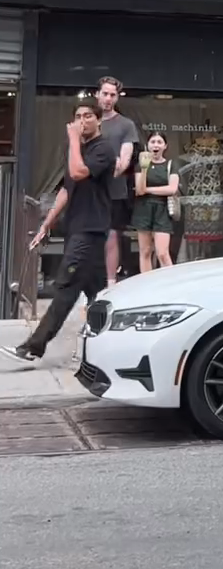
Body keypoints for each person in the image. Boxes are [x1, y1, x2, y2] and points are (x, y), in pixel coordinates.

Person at [0, 101, 114, 365]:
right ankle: (112, 345)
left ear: (99, 120)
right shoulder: (76, 149)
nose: (82, 120)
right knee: (98, 293)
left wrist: (74, 139)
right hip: (78, 229)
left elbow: (79, 171)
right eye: (78, 116)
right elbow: (67, 188)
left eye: (88, 116)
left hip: (90, 229)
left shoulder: (103, 149)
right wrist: (47, 223)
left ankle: (34, 346)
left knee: (65, 287)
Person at [97, 76, 140, 286]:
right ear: (97, 94)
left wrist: (105, 169)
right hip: (87, 191)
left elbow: (123, 162)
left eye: (112, 95)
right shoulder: (87, 121)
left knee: (112, 236)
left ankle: (110, 282)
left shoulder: (126, 124)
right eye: (104, 93)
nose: (108, 98)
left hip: (114, 191)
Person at [133, 132, 179, 271]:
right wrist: (144, 168)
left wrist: (148, 189)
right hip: (143, 209)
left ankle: (171, 282)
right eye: (153, 142)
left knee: (162, 253)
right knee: (145, 251)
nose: (156, 145)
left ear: (165, 146)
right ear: (148, 145)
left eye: (159, 142)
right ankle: (147, 285)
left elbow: (172, 188)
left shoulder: (171, 165)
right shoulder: (140, 165)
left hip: (162, 210)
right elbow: (139, 190)